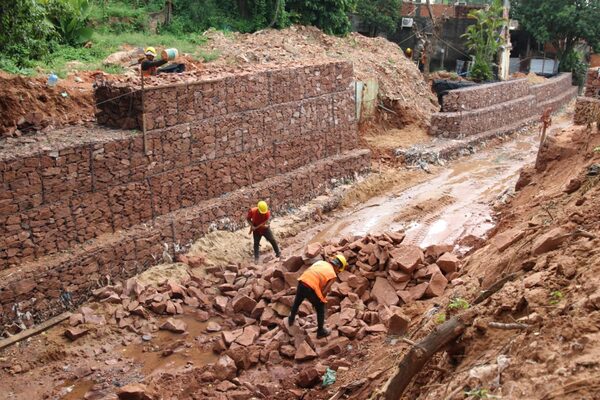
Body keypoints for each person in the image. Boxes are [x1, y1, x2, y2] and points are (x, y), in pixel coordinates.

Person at [287, 254, 348, 338]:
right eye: (339, 269)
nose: (338, 271)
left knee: (297, 301)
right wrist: (320, 300)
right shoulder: (333, 275)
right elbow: (324, 292)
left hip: (302, 280)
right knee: (320, 307)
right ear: (337, 266)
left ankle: (291, 319)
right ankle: (320, 331)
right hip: (310, 287)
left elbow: (315, 274)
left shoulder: (321, 262)